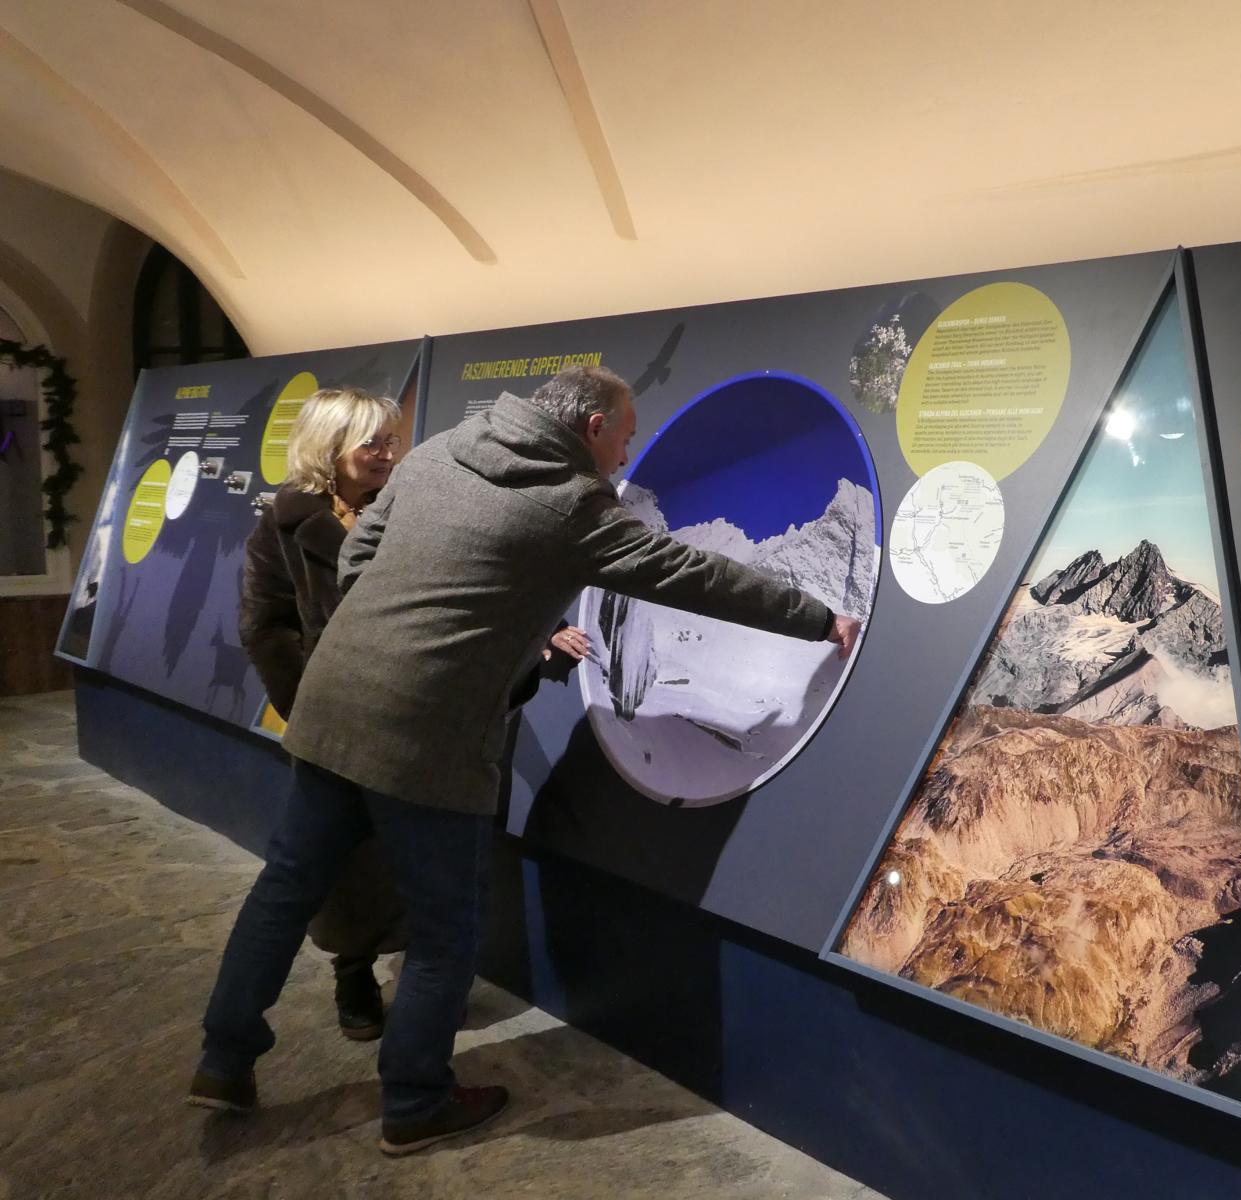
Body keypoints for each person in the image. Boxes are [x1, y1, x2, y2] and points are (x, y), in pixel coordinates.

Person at [189, 365, 861, 1156]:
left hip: (333, 708)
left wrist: (388, 639)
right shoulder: (570, 504)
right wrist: (817, 617)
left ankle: (224, 1060)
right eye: (626, 430)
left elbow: (358, 554)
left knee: (283, 890)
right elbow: (687, 573)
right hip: (429, 740)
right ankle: (413, 1101)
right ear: (590, 429)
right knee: (445, 931)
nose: (629, 446)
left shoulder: (440, 453)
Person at [238, 387, 409, 1041]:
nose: (386, 455)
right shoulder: (283, 526)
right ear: (329, 447)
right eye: (372, 442)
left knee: (418, 849)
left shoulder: (408, 511)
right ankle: (354, 972)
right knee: (346, 860)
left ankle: (423, 980)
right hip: (331, 724)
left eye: (392, 441)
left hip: (410, 714)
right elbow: (266, 627)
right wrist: (311, 704)